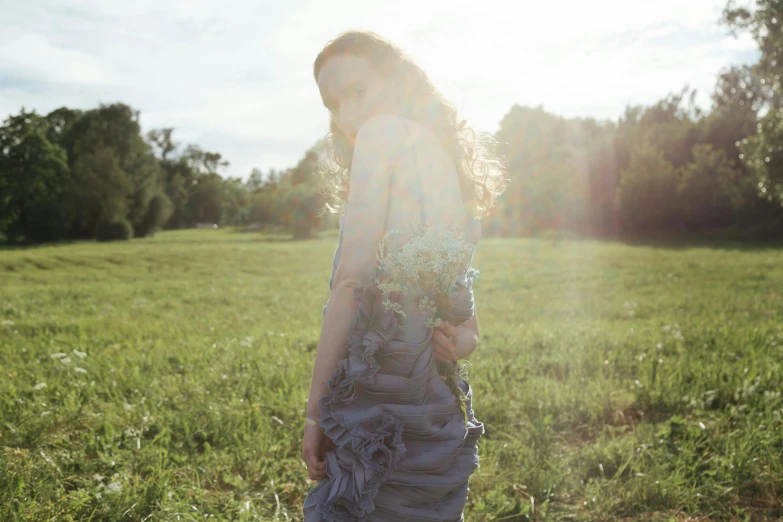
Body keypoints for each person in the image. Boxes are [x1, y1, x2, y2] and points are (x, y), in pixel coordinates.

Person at [301, 30, 507, 521]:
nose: (347, 116)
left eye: (357, 92)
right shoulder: (446, 170)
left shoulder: (380, 134)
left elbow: (350, 286)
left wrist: (315, 414)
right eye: (333, 104)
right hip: (431, 419)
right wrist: (457, 342)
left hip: (375, 414)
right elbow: (468, 327)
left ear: (395, 83)